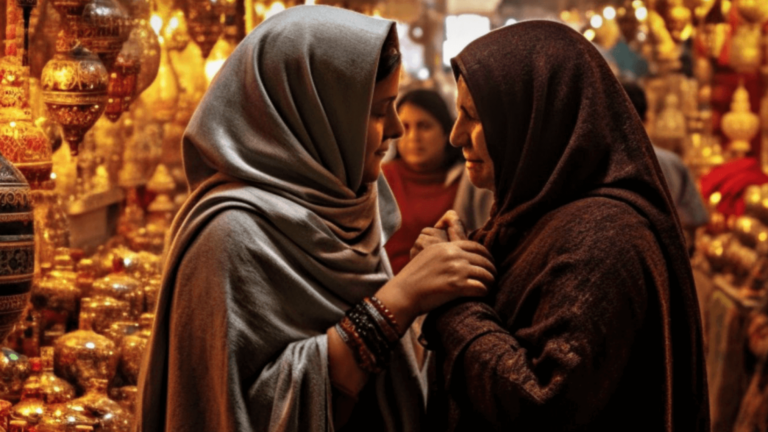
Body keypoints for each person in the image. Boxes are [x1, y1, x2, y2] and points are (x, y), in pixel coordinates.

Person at [135, 6, 495, 432]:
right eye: (379, 111)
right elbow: (234, 412)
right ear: (316, 116)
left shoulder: (349, 209)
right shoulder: (229, 236)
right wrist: (400, 300)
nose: (397, 129)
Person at [417, 21, 710, 431]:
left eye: (473, 116)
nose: (455, 136)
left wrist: (452, 301)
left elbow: (541, 404)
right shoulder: (536, 216)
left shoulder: (604, 237)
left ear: (536, 120)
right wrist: (458, 262)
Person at [382, 89, 493, 274]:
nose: (413, 137)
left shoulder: (469, 180)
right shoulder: (382, 179)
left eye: (424, 126)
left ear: (445, 131)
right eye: (405, 127)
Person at [621, 80, 709, 255]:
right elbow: (695, 217)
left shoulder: (600, 163)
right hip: (668, 253)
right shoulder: (672, 162)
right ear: (647, 118)